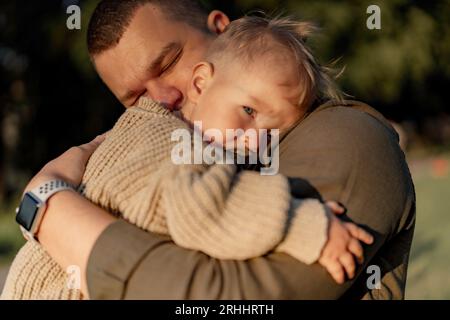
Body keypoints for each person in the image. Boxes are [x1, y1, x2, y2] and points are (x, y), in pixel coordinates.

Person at [7, 0, 416, 299]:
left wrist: (49, 207)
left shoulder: (347, 136)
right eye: (134, 98)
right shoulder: (164, 145)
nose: (162, 99)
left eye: (167, 64)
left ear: (222, 28)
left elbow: (226, 299)